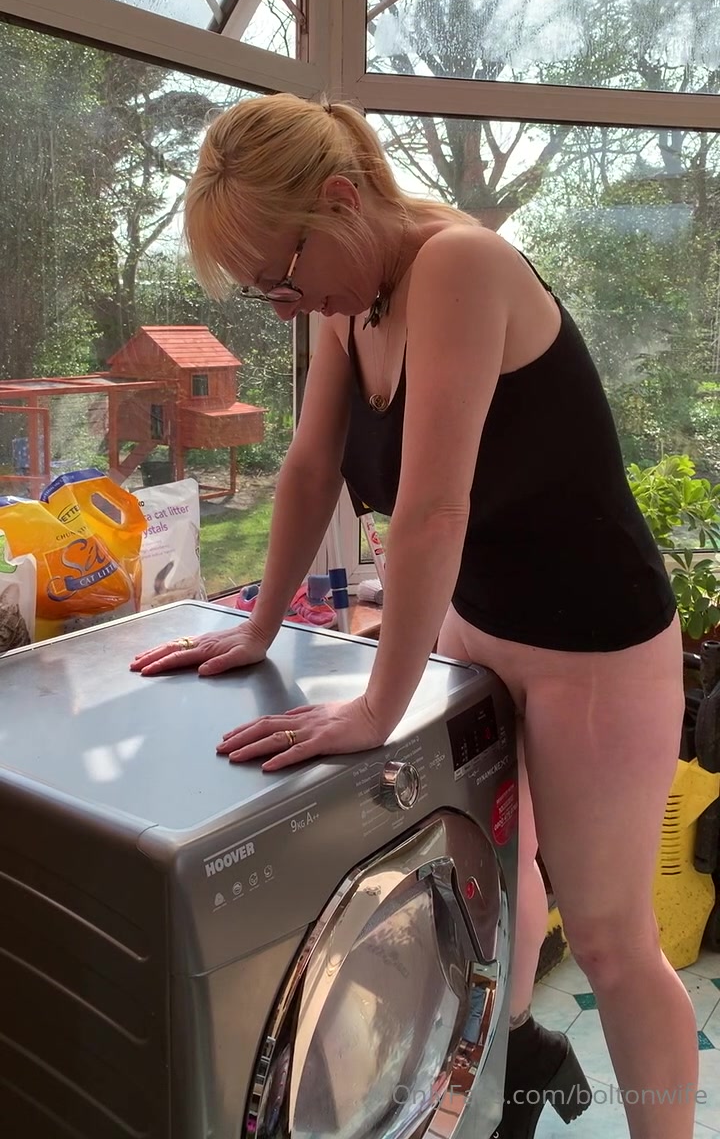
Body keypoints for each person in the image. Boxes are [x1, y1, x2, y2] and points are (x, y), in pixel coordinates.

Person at [130, 94, 697, 1139]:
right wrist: (257, 627)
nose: (283, 306)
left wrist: (378, 707)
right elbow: (310, 469)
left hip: (592, 647)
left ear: (341, 201)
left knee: (612, 942)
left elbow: (436, 506)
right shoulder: (349, 302)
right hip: (479, 622)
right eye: (263, 291)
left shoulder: (460, 265)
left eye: (280, 278)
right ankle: (523, 1063)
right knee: (497, 882)